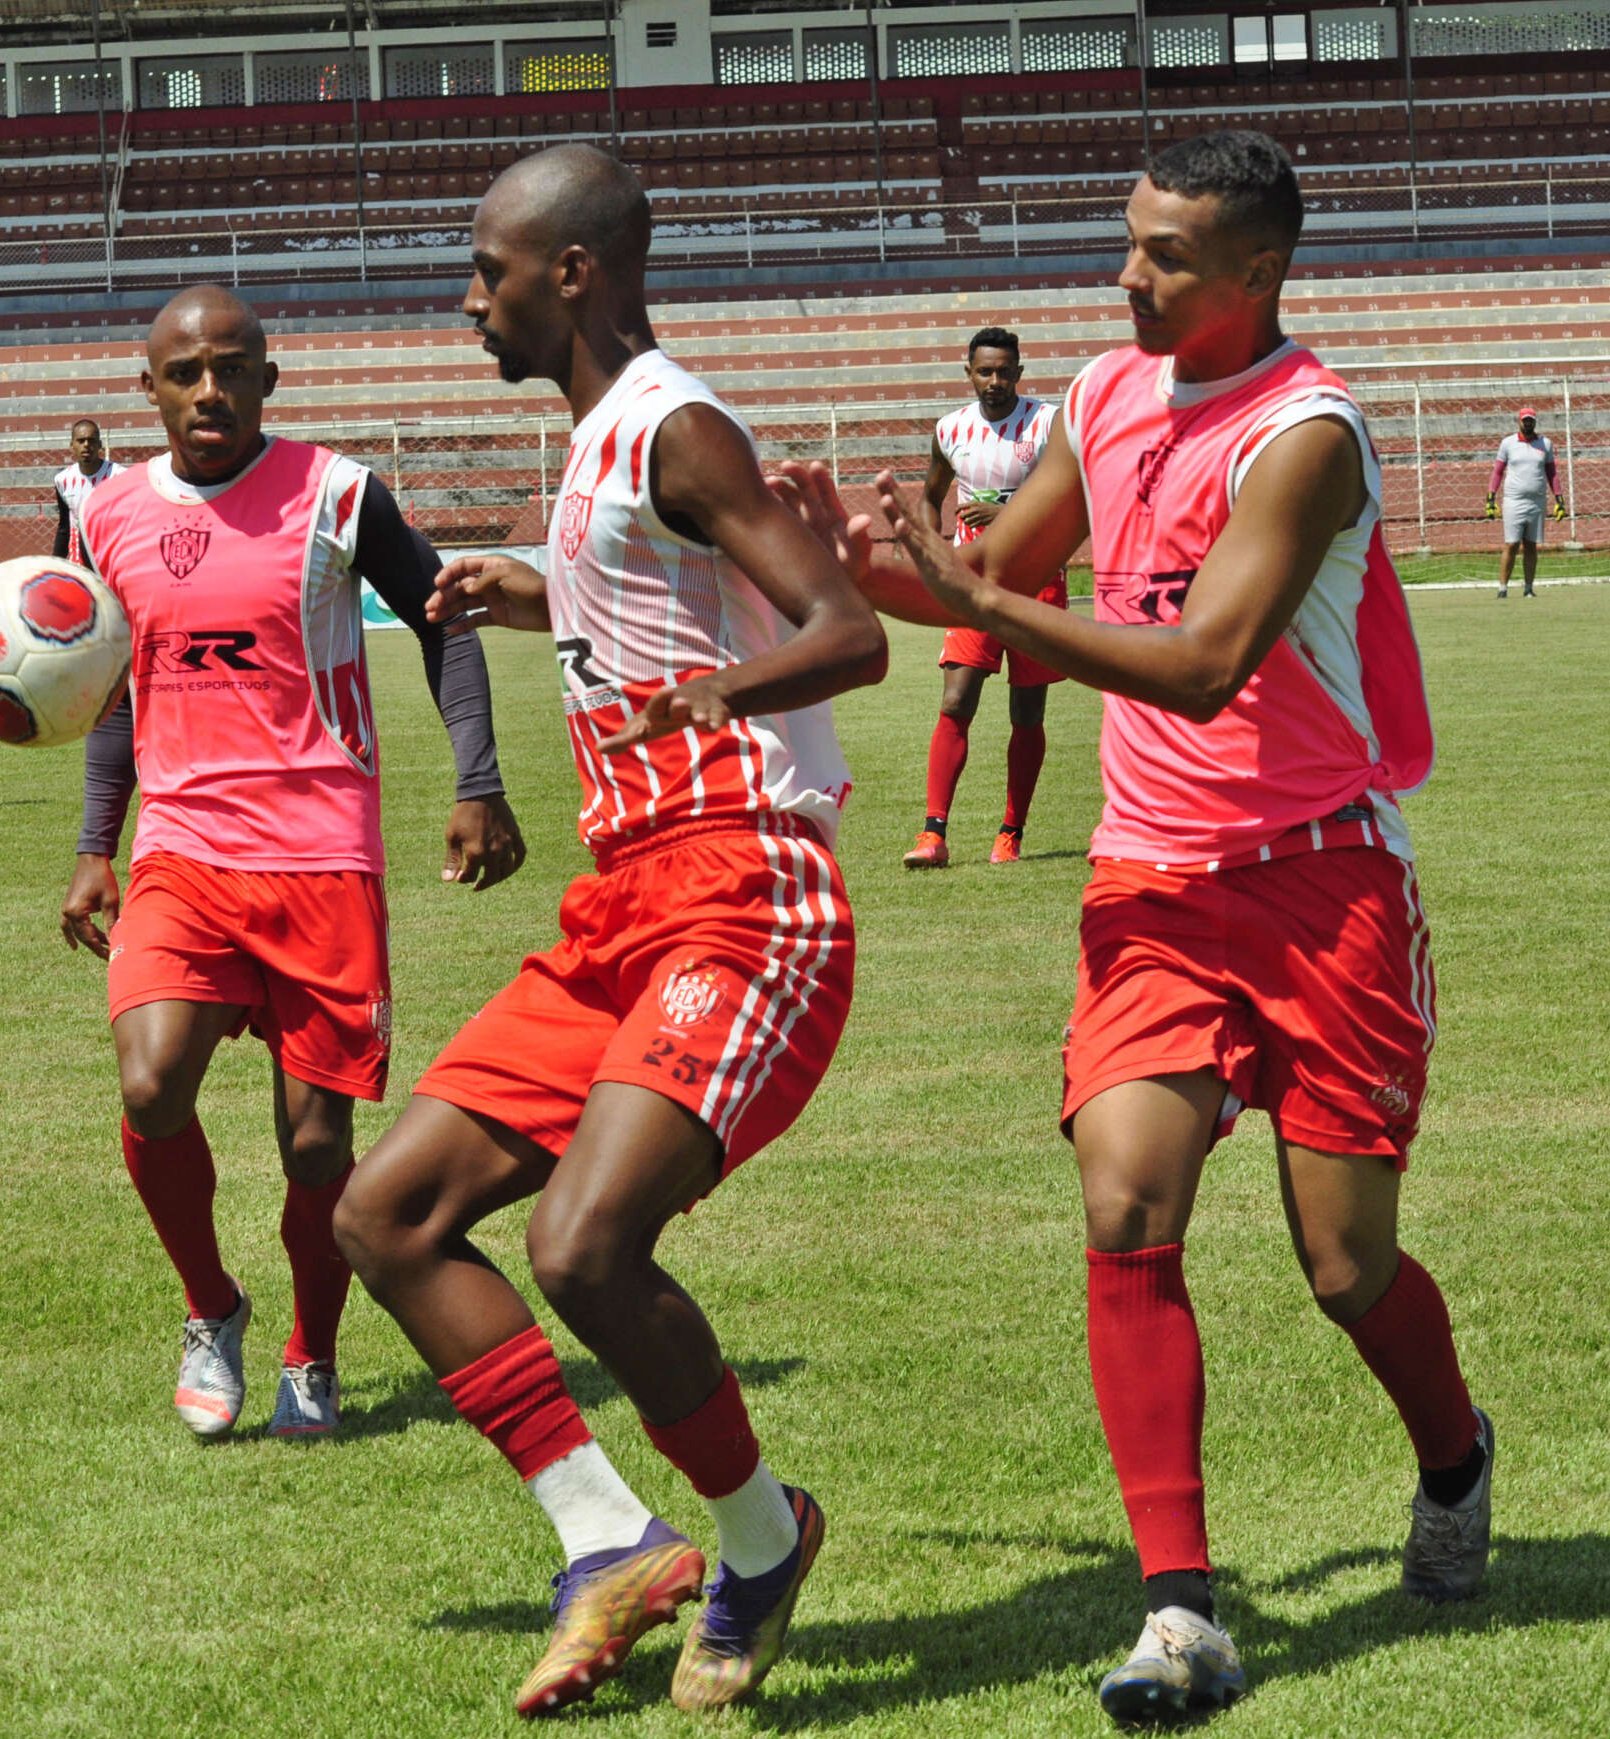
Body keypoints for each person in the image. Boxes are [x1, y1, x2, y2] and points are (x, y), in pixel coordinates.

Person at [778, 131, 1490, 1727]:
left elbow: (1201, 664)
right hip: (1155, 881)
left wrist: (977, 604)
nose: (1131, 275)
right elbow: (984, 580)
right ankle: (1180, 1608)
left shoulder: (1308, 434)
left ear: (1260, 273)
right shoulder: (1102, 397)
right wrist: (855, 566)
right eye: (1130, 242)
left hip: (1323, 887)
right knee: (1125, 1203)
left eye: (1169, 255)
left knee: (1341, 1260)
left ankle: (1454, 1452)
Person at [331, 145, 890, 1720]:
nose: (469, 297)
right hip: (622, 902)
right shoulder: (595, 449)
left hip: (742, 888)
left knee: (583, 1241)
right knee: (388, 1214)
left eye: (489, 269)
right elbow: (661, 614)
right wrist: (532, 600)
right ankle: (606, 1537)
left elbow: (845, 633)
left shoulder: (676, 425)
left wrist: (724, 693)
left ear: (570, 272)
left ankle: (757, 1538)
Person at [61, 285, 525, 1444]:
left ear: (269, 378)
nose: (208, 390)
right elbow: (115, 690)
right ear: (149, 387)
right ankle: (210, 1304)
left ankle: (309, 1352)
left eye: (231, 368)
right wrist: (92, 845)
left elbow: (441, 619)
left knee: (316, 1143)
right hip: (182, 850)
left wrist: (476, 779)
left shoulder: (337, 492)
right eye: (185, 372)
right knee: (148, 1084)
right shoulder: (107, 513)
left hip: (321, 853)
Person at [906, 326, 1068, 868]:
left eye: (1005, 371)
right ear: (968, 371)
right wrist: (933, 553)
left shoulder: (1049, 423)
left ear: (1019, 373)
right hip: (973, 583)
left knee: (1027, 711)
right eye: (985, 370)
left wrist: (1008, 516)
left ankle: (1010, 833)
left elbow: (1077, 497)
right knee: (956, 700)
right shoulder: (950, 429)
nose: (995, 380)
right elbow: (930, 497)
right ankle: (932, 835)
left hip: (1037, 579)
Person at [1487, 407, 1563, 598]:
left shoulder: (1545, 443)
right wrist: (1490, 497)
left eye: (1531, 420)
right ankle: (1502, 588)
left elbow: (1552, 473)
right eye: (1524, 420)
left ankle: (1528, 588)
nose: (1528, 424)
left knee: (1531, 545)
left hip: (1537, 501)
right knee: (1511, 544)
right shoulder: (1508, 443)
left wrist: (1559, 499)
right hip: (1514, 500)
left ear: (1535, 422)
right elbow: (1497, 472)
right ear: (1519, 422)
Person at [51, 418, 117, 568]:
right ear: (72, 445)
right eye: (81, 441)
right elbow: (64, 527)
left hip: (111, 559)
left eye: (91, 440)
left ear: (99, 445)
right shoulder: (63, 480)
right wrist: (54, 564)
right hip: (79, 563)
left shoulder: (119, 476)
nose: (86, 445)